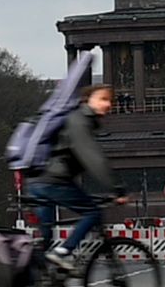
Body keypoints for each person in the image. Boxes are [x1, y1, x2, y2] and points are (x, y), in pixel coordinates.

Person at [28, 83, 129, 273]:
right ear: (87, 99)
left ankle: (35, 283)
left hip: (36, 180)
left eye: (110, 100)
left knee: (45, 239)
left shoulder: (74, 119)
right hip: (53, 181)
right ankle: (64, 251)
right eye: (103, 99)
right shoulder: (79, 121)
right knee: (93, 213)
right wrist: (117, 188)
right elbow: (94, 158)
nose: (108, 104)